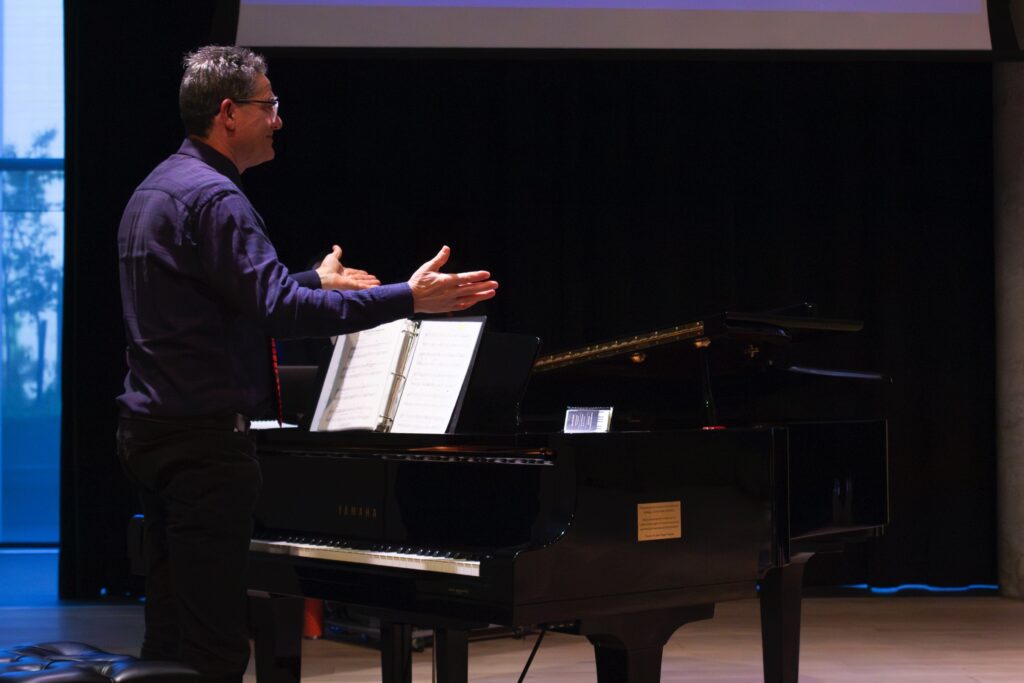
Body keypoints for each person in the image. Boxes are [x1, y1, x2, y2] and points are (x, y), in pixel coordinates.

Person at [115, 45, 497, 683]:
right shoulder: (217, 198)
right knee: (213, 649)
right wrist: (409, 297)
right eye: (270, 106)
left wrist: (310, 279)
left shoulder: (157, 188)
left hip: (153, 435)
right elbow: (279, 312)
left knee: (173, 634)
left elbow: (214, 298)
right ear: (230, 113)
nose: (279, 119)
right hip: (205, 447)